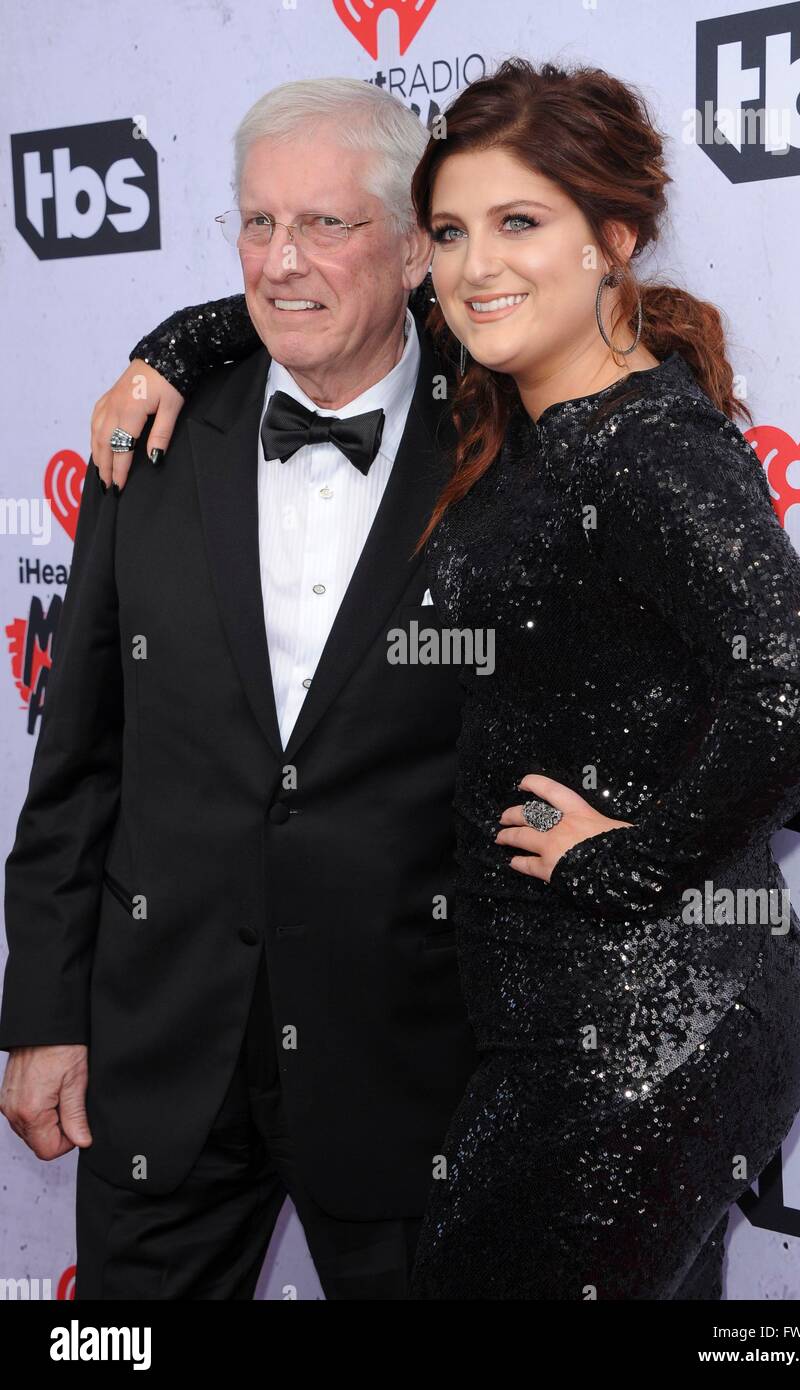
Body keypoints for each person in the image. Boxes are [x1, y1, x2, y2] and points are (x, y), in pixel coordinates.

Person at [55, 61, 800, 1299]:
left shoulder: (610, 433)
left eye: (519, 223)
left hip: (582, 1043)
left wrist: (626, 861)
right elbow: (83, 755)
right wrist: (173, 341)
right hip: (291, 1044)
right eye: (453, 229)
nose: (478, 263)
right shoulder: (501, 399)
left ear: (613, 240)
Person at [0, 78, 480, 1301]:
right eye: (258, 224)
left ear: (418, 246)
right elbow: (80, 753)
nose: (281, 261)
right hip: (163, 1051)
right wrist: (43, 1013)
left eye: (326, 224)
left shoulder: (500, 447)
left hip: (413, 1066)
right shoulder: (147, 437)